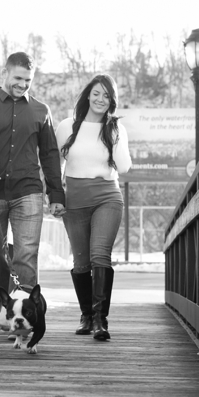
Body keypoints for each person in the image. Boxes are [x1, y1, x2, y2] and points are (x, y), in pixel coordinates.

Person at [0, 52, 65, 308]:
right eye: (18, 78)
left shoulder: (41, 111)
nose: (22, 85)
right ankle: (4, 312)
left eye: (28, 80)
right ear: (5, 73)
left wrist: (56, 195)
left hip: (28, 193)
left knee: (26, 257)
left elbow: (50, 155)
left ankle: (27, 315)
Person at [55, 74, 131, 341]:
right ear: (88, 95)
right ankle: (86, 315)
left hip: (107, 197)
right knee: (81, 262)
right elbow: (54, 166)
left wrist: (114, 135)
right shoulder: (67, 126)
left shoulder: (116, 129)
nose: (101, 99)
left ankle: (100, 320)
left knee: (100, 256)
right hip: (74, 201)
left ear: (112, 101)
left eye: (107, 96)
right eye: (97, 93)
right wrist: (54, 196)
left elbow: (123, 167)